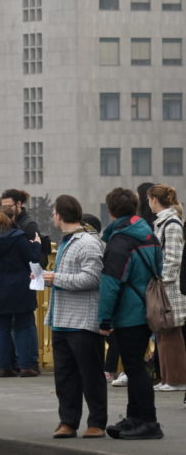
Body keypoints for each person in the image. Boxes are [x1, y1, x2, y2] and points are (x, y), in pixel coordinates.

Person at [98, 187, 164, 440]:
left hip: (128, 312)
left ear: (111, 210)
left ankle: (148, 422)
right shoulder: (149, 235)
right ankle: (135, 418)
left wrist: (104, 317)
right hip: (146, 307)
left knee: (135, 368)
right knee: (135, 365)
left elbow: (111, 283)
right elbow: (157, 269)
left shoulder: (120, 241)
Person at [43, 195, 107, 439]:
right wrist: (50, 278)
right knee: (65, 376)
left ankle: (97, 423)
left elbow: (92, 279)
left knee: (90, 375)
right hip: (61, 320)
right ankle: (68, 421)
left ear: (60, 214)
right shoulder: (68, 242)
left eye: (54, 213)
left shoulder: (87, 243)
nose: (52, 217)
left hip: (82, 322)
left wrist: (55, 278)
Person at [0, 210, 42, 378]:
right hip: (19, 286)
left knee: (3, 327)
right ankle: (25, 365)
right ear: (12, 220)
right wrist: (36, 244)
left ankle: (5, 366)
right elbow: (32, 259)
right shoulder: (18, 237)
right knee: (23, 324)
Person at [147, 184, 186, 392]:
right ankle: (168, 378)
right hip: (164, 285)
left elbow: (173, 257)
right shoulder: (165, 222)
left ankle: (176, 379)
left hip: (168, 287)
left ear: (154, 200)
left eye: (149, 199)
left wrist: (162, 279)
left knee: (170, 331)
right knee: (163, 331)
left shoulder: (170, 223)